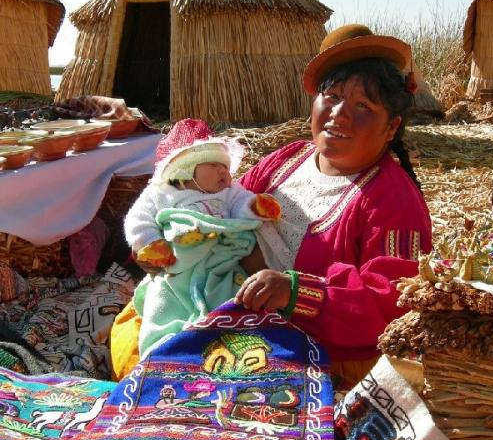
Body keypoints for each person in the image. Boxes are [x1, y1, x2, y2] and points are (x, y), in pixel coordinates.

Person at [234, 23, 432, 386]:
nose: (339, 114)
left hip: (320, 358)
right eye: (332, 95)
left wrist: (294, 292)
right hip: (238, 311)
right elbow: (229, 203)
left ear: (391, 128)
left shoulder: (392, 199)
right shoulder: (286, 159)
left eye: (363, 106)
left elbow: (395, 301)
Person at [123, 118, 281, 358]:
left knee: (230, 299)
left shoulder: (228, 192)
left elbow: (241, 203)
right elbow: (138, 218)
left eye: (225, 167)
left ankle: (222, 338)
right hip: (177, 270)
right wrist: (150, 243)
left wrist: (256, 207)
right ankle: (164, 352)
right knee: (163, 304)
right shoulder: (160, 193)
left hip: (219, 265)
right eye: (213, 165)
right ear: (186, 169)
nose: (223, 172)